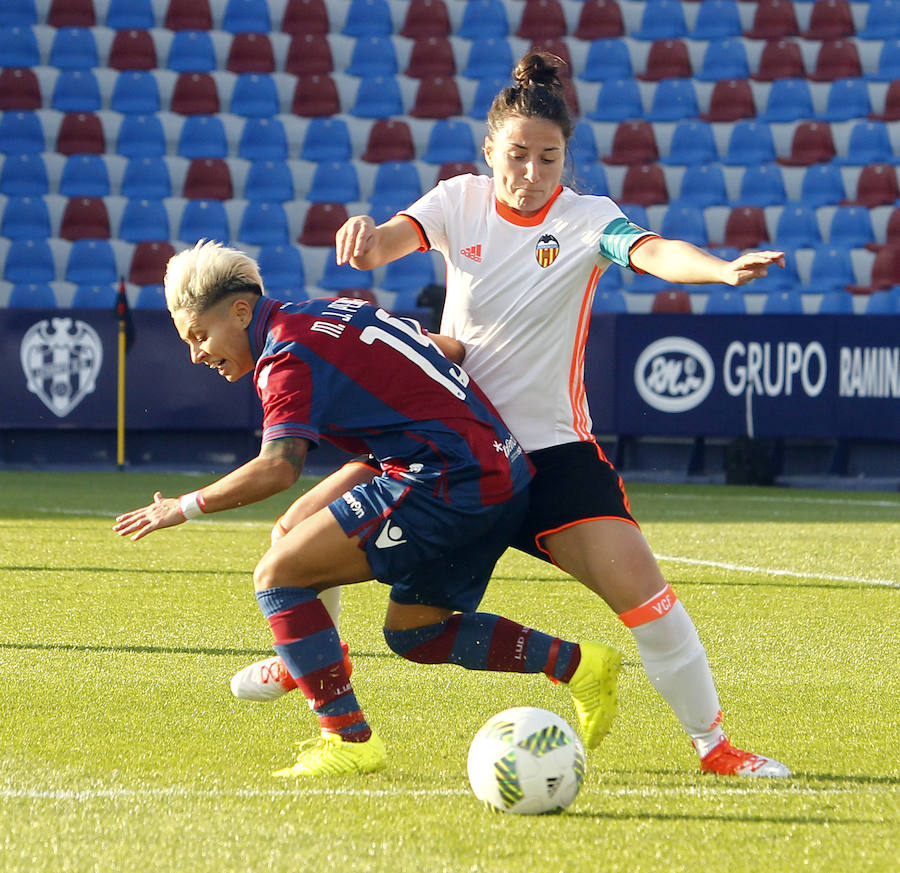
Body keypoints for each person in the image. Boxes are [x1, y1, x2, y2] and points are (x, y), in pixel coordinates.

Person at [230, 53, 792, 779]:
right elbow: (390, 243)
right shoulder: (456, 200)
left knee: (650, 602)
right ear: (490, 149)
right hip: (447, 442)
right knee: (298, 536)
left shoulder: (590, 220)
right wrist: (370, 240)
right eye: (517, 155)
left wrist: (717, 268)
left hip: (551, 455)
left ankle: (716, 747)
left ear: (567, 158)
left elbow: (652, 252)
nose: (530, 172)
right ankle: (303, 657)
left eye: (548, 158)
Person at [113, 239, 622, 777]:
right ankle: (580, 664)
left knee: (277, 575)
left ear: (240, 312)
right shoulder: (325, 310)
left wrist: (183, 507)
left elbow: (278, 468)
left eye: (200, 335)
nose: (197, 353)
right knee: (412, 631)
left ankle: (347, 738)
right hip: (495, 469)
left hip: (446, 478)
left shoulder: (284, 354)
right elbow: (449, 349)